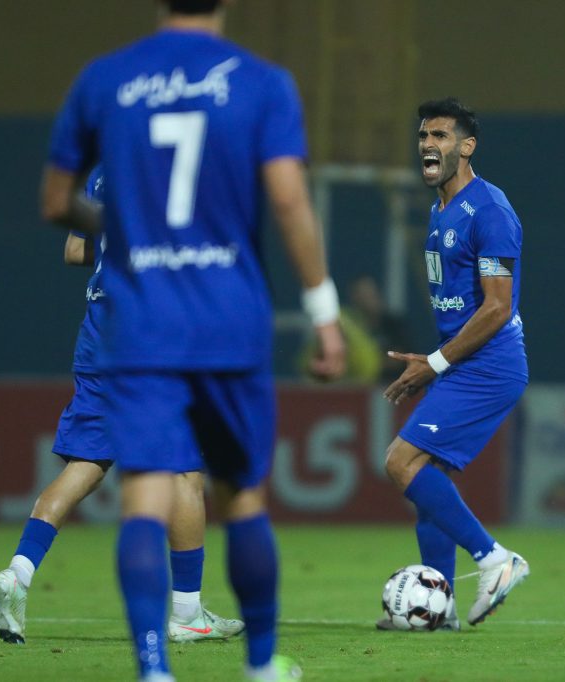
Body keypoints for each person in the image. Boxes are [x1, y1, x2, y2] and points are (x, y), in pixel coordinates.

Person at [40, 1, 346, 680]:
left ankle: (153, 668)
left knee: (145, 492)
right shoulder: (262, 82)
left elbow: (57, 203)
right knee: (242, 495)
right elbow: (289, 200)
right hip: (226, 318)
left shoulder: (105, 79)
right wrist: (324, 311)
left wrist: (126, 230)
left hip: (142, 321)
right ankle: (260, 666)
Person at [0, 169, 243, 646]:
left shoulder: (103, 172)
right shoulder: (176, 162)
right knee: (184, 473)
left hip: (100, 336)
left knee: (86, 464)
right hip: (155, 337)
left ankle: (18, 573)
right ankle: (187, 613)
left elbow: (74, 250)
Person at [379, 98, 530, 631]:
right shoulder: (440, 210)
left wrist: (437, 363)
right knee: (429, 480)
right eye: (424, 135)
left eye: (440, 136)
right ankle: (439, 609)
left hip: (490, 365)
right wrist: (438, 358)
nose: (427, 143)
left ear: (467, 147)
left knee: (401, 462)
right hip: (463, 360)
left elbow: (497, 307)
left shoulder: (489, 211)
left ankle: (494, 559)